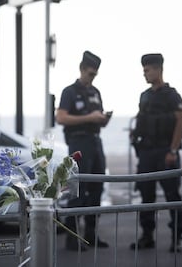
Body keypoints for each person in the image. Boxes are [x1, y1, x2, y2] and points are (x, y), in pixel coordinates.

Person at [130, 53, 182, 252]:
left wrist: (172, 150)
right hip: (147, 153)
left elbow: (180, 123)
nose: (144, 74)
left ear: (158, 70)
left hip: (165, 151)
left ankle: (177, 236)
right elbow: (140, 120)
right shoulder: (144, 96)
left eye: (147, 70)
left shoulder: (172, 96)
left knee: (172, 195)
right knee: (146, 196)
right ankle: (147, 236)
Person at [56, 50, 110, 251]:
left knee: (97, 188)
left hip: (95, 141)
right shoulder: (69, 92)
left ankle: (91, 234)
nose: (92, 77)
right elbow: (61, 117)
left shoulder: (95, 92)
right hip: (78, 143)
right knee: (76, 190)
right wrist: (90, 118)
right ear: (81, 69)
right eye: (90, 74)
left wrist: (103, 119)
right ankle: (72, 238)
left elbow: (98, 118)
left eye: (95, 74)